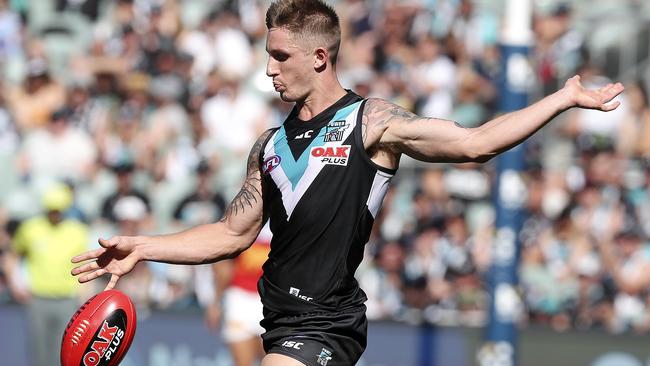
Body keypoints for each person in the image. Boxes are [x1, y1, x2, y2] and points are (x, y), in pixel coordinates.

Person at [70, 1, 624, 365]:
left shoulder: (372, 124)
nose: (268, 69)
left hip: (327, 322)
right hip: (277, 318)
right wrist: (143, 247)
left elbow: (475, 143)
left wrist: (562, 98)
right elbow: (230, 235)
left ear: (319, 56)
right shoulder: (268, 145)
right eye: (267, 55)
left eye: (279, 56)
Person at [5, 182, 90, 366]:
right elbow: (12, 256)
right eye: (51, 210)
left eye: (58, 210)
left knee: (66, 351)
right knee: (39, 351)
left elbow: (86, 265)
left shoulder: (77, 231)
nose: (55, 214)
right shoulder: (31, 228)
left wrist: (83, 296)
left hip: (67, 298)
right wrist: (16, 284)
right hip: (38, 298)